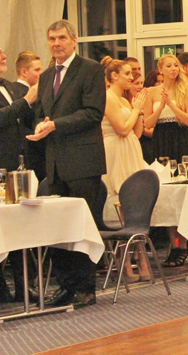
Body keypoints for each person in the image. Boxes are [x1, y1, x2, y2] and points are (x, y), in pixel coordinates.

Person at [26, 20, 107, 308]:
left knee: (81, 227)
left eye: (61, 38)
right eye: (51, 39)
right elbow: (41, 113)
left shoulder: (90, 69)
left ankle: (85, 288)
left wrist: (55, 125)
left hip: (84, 161)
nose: (56, 43)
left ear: (74, 40)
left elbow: (93, 113)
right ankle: (65, 286)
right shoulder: (47, 75)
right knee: (57, 228)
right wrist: (41, 125)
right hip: (55, 162)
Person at [99, 57, 152, 282]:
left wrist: (138, 111)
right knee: (122, 205)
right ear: (114, 76)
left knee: (135, 205)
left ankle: (140, 258)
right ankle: (126, 263)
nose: (132, 77)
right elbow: (121, 129)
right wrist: (135, 109)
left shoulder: (123, 99)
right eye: (127, 73)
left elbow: (136, 132)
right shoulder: (108, 97)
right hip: (116, 151)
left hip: (131, 149)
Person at [143, 53, 188, 267]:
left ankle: (183, 243)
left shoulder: (186, 89)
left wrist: (172, 106)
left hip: (180, 138)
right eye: (169, 66)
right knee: (166, 195)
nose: (173, 69)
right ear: (160, 70)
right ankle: (173, 244)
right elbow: (147, 123)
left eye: (176, 65)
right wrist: (160, 106)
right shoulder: (152, 92)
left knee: (181, 194)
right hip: (161, 139)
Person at [0, 46, 38, 304]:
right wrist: (25, 101)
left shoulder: (10, 87)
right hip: (1, 167)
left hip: (17, 165)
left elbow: (21, 118)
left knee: (21, 226)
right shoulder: (18, 93)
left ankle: (25, 286)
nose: (4, 56)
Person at [11, 51, 45, 181]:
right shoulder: (20, 93)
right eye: (37, 70)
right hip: (31, 154)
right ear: (24, 72)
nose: (41, 73)